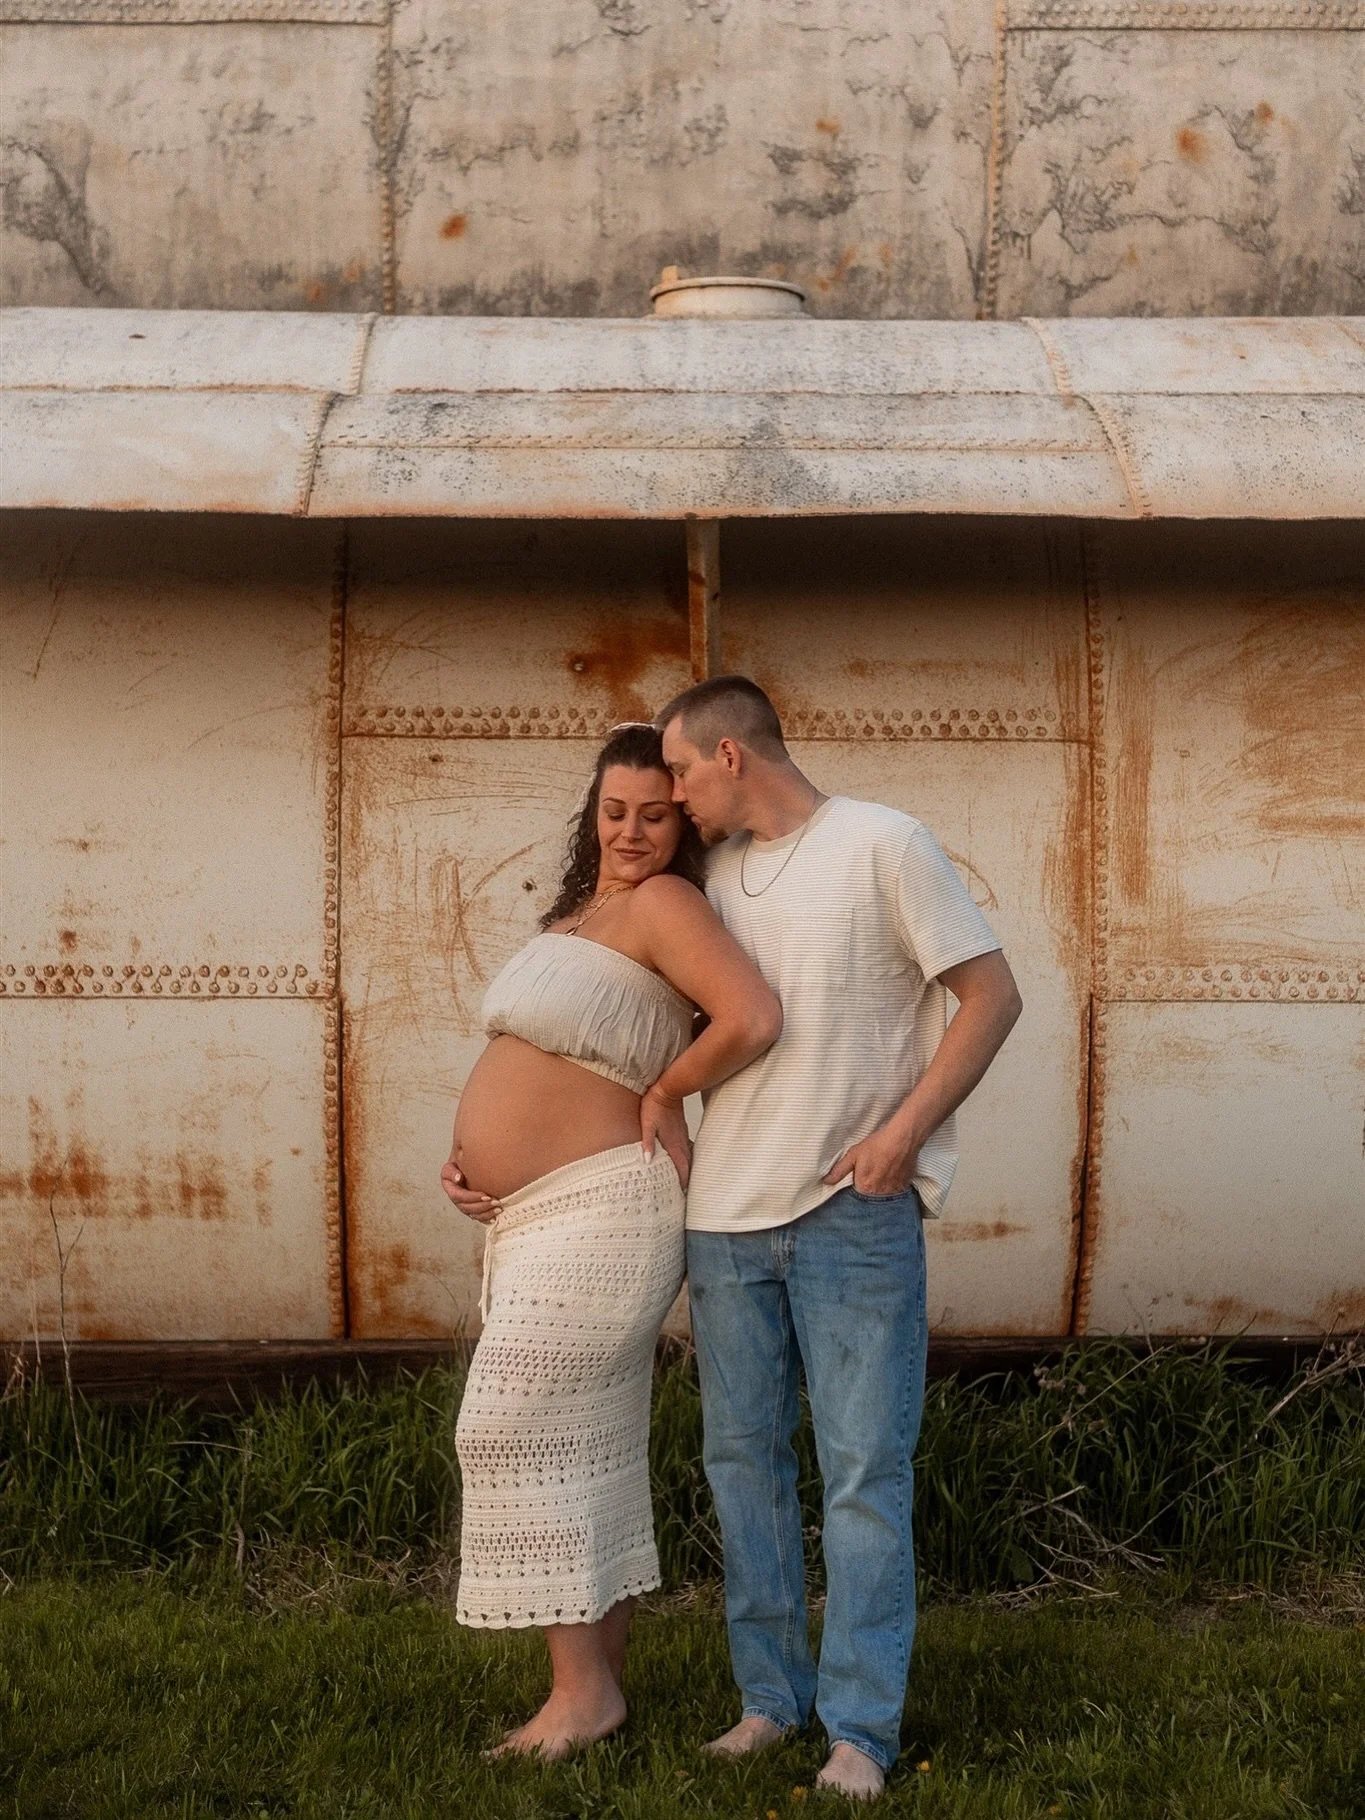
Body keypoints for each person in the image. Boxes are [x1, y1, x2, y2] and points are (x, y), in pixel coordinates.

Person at [657, 676, 1023, 1803]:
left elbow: (992, 994)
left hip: (852, 1217)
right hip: (725, 1220)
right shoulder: (707, 878)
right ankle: (770, 1701)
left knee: (865, 1473)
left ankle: (860, 1728)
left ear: (729, 753)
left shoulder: (883, 842)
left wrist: (903, 1135)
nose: (670, 796)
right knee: (743, 1466)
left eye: (677, 770)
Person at [439, 722, 782, 1760]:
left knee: (505, 1425)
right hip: (535, 1214)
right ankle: (588, 1694)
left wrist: (671, 1091)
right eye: (615, 810)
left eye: (655, 812)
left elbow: (751, 1016)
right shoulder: (585, 911)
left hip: (604, 1206)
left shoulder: (667, 904)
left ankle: (583, 1693)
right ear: (593, 815)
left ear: (684, 821)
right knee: (582, 1444)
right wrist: (474, 1159)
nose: (632, 830)